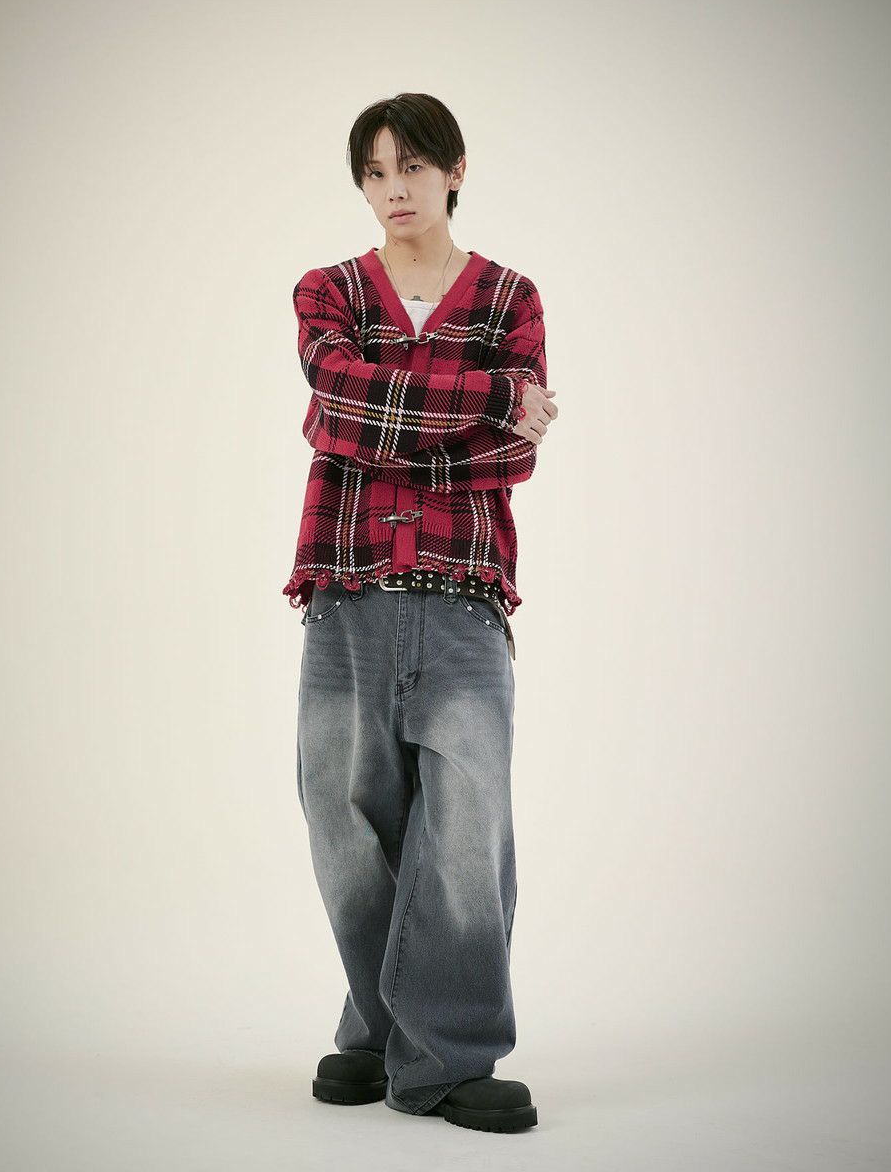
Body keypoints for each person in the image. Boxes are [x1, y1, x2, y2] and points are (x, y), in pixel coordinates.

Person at [284, 92, 558, 1133]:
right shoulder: (327, 291)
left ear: (454, 169)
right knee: (348, 825)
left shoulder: (510, 297)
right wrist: (486, 397)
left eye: (411, 167)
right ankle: (384, 1026)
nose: (393, 189)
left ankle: (446, 1051)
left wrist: (375, 415)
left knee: (465, 830)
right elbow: (336, 401)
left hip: (462, 590)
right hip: (345, 584)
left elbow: (511, 459)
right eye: (374, 172)